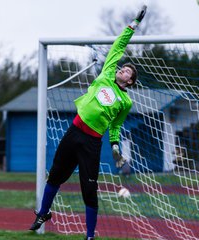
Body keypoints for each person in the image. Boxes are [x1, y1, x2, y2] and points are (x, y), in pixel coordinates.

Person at [29, 5, 147, 240]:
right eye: (122, 67)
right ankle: (43, 213)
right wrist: (133, 24)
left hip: (92, 143)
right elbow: (118, 46)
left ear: (130, 82)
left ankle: (90, 235)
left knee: (89, 190)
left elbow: (115, 127)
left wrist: (114, 147)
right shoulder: (106, 74)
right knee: (54, 176)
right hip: (73, 132)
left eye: (126, 72)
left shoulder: (125, 102)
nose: (122, 70)